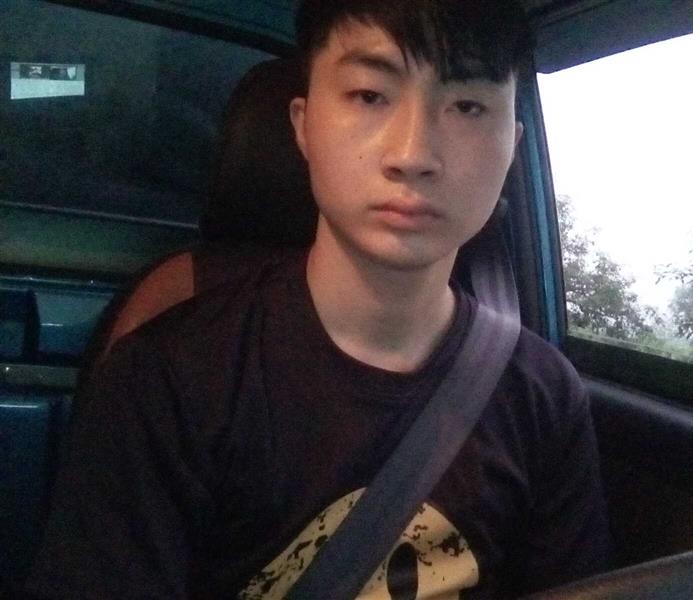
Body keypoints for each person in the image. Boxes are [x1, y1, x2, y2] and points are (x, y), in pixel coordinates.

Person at [25, 0, 610, 597]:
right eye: (369, 95)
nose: (412, 154)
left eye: (467, 107)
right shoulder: (165, 379)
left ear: (511, 146)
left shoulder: (543, 397)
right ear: (303, 126)